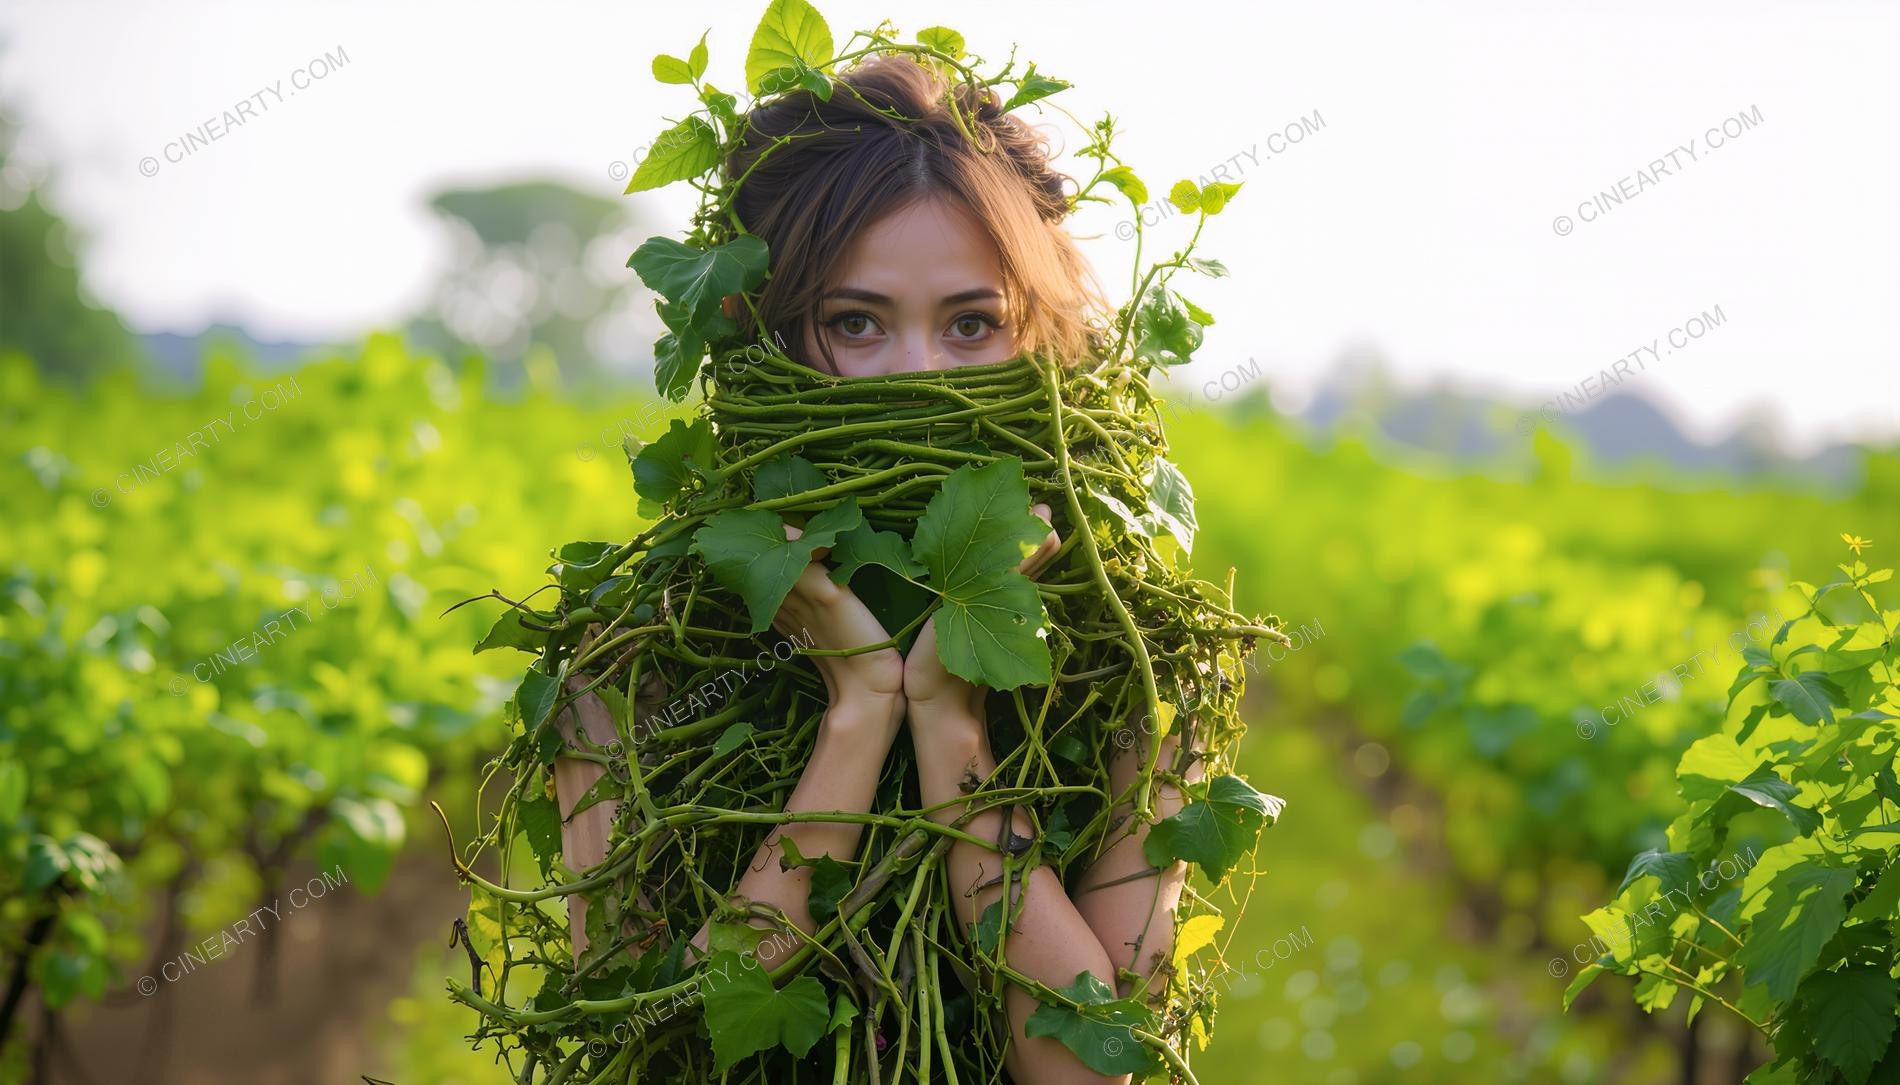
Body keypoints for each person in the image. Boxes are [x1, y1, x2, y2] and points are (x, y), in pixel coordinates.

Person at [554, 53, 1206, 1085]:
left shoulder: (1134, 654)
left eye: (971, 323)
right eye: (856, 322)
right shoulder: (635, 655)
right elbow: (659, 1050)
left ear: (1038, 335)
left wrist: (952, 729)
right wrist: (855, 718)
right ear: (764, 341)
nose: (918, 376)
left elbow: (1089, 1070)